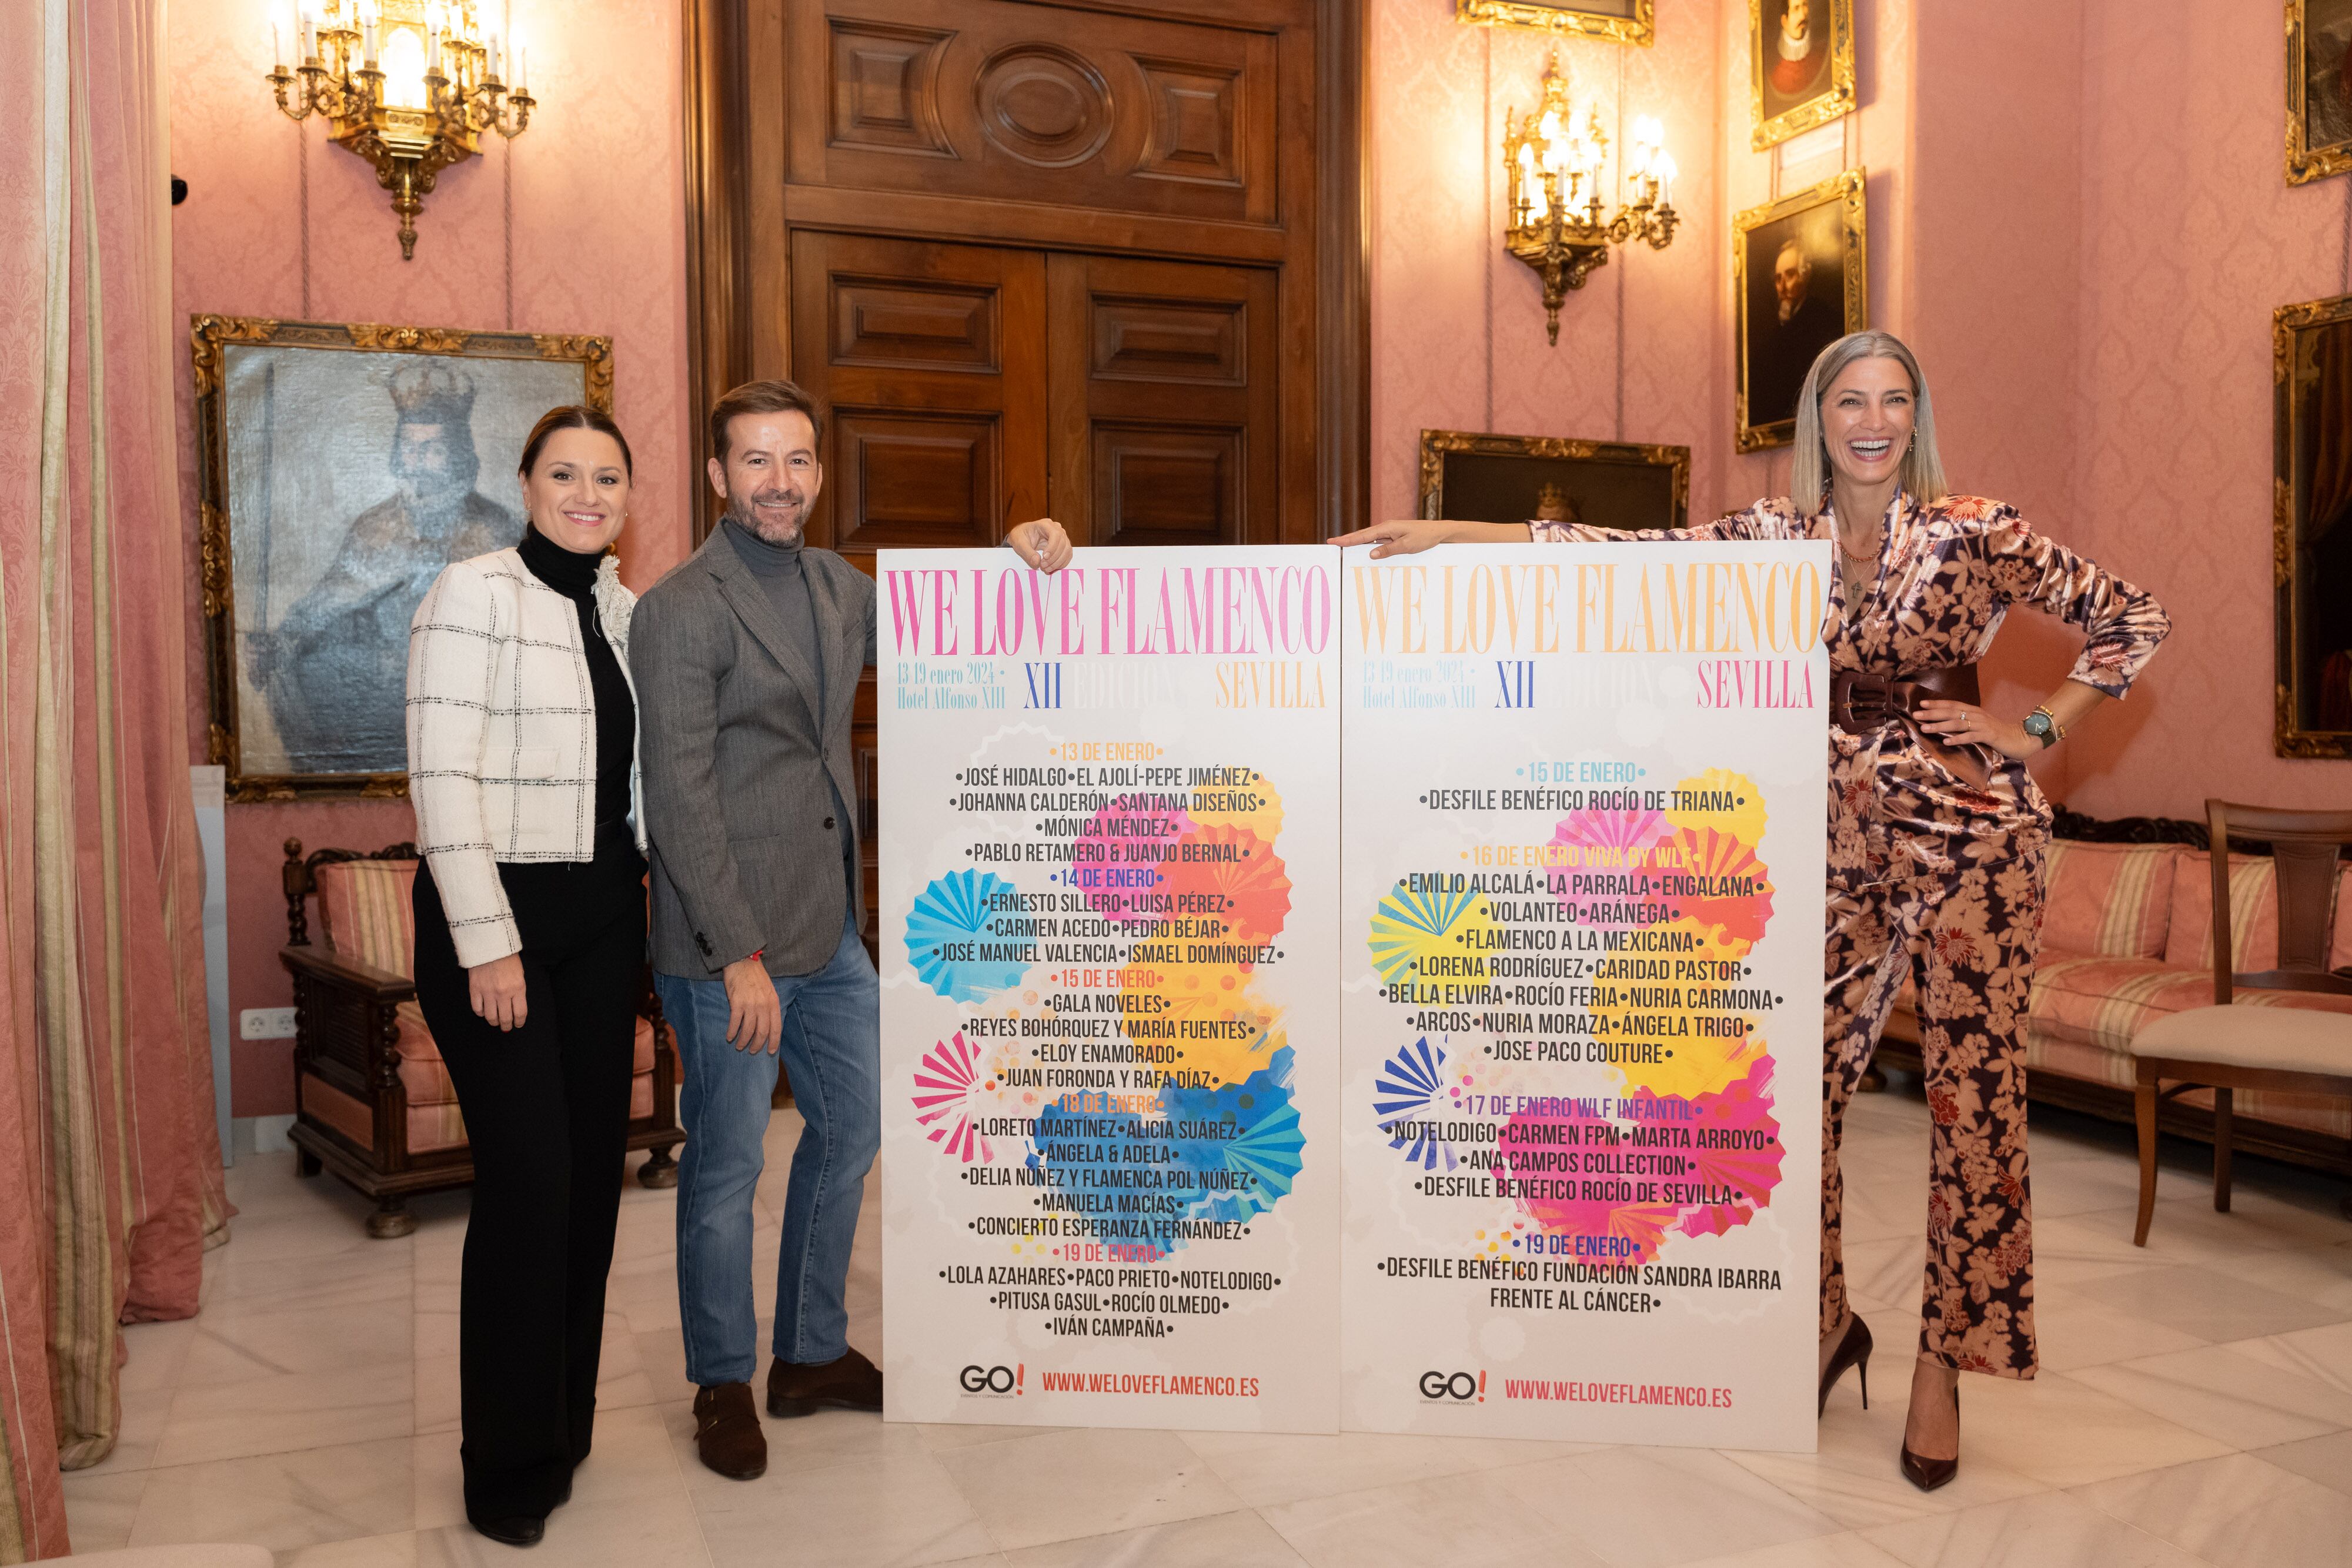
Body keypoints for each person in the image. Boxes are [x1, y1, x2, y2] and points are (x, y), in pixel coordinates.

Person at [1334, 330, 2171, 1491]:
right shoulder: (1769, 538)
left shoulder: (1976, 527)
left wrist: (2031, 731)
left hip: (1973, 841)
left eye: (1891, 399)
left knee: (1974, 1104)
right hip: (1823, 844)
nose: (1870, 420)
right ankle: (1821, 1317)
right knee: (1792, 1096)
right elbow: (1611, 553)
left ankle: (1942, 1362)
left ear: (1912, 415)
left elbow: (2131, 616)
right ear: (1814, 417)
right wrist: (1443, 537)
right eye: (1847, 400)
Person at [632, 379, 1073, 1482]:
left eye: (798, 461)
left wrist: (1017, 546)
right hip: (728, 941)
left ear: (820, 472)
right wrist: (736, 956)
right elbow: (679, 796)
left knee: (857, 1128)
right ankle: (724, 1379)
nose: (779, 483)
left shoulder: (839, 587)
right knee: (728, 1168)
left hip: (831, 929)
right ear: (718, 476)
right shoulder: (683, 605)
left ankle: (810, 1352)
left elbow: (955, 618)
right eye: (756, 462)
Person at [405, 405, 651, 1547]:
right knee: (528, 1185)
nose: (588, 493)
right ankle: (503, 1463)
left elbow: (638, 783)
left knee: (591, 1180)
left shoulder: (623, 610)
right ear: (526, 480)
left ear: (628, 496)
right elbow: (439, 774)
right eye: (566, 473)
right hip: (497, 921)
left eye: (607, 477)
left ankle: (565, 1417)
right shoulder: (474, 592)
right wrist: (484, 937)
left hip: (603, 920)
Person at [268, 362, 517, 772]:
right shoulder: (374, 527)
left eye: (432, 449)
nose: (417, 460)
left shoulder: (495, 527)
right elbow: (328, 603)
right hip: (387, 698)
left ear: (457, 454)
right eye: (409, 447)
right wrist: (284, 637)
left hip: (476, 692)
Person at [1752, 239, 1840, 429]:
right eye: (1778, 279)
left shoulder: (1822, 318)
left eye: (1790, 275)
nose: (1782, 286)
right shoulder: (1775, 329)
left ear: (1805, 275)